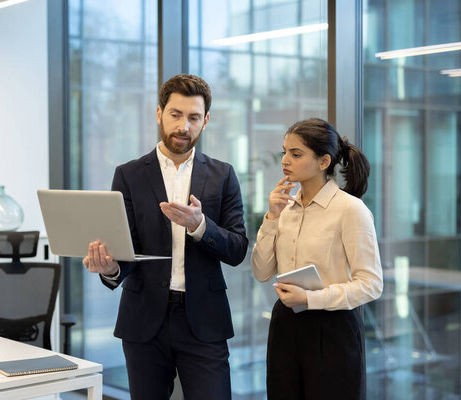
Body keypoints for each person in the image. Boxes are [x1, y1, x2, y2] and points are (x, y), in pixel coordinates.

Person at [82, 73, 248, 400]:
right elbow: (125, 250)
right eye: (175, 114)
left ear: (206, 121)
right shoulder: (128, 174)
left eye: (193, 117)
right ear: (159, 113)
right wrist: (110, 267)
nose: (183, 126)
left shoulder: (223, 174)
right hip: (144, 320)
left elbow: (238, 248)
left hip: (204, 320)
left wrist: (201, 226)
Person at [251, 118, 383, 400]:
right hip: (286, 325)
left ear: (324, 161)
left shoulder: (351, 210)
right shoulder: (283, 208)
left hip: (333, 328)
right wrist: (271, 216)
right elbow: (262, 272)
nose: (285, 160)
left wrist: (311, 299)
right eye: (284, 151)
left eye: (296, 154)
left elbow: (371, 284)